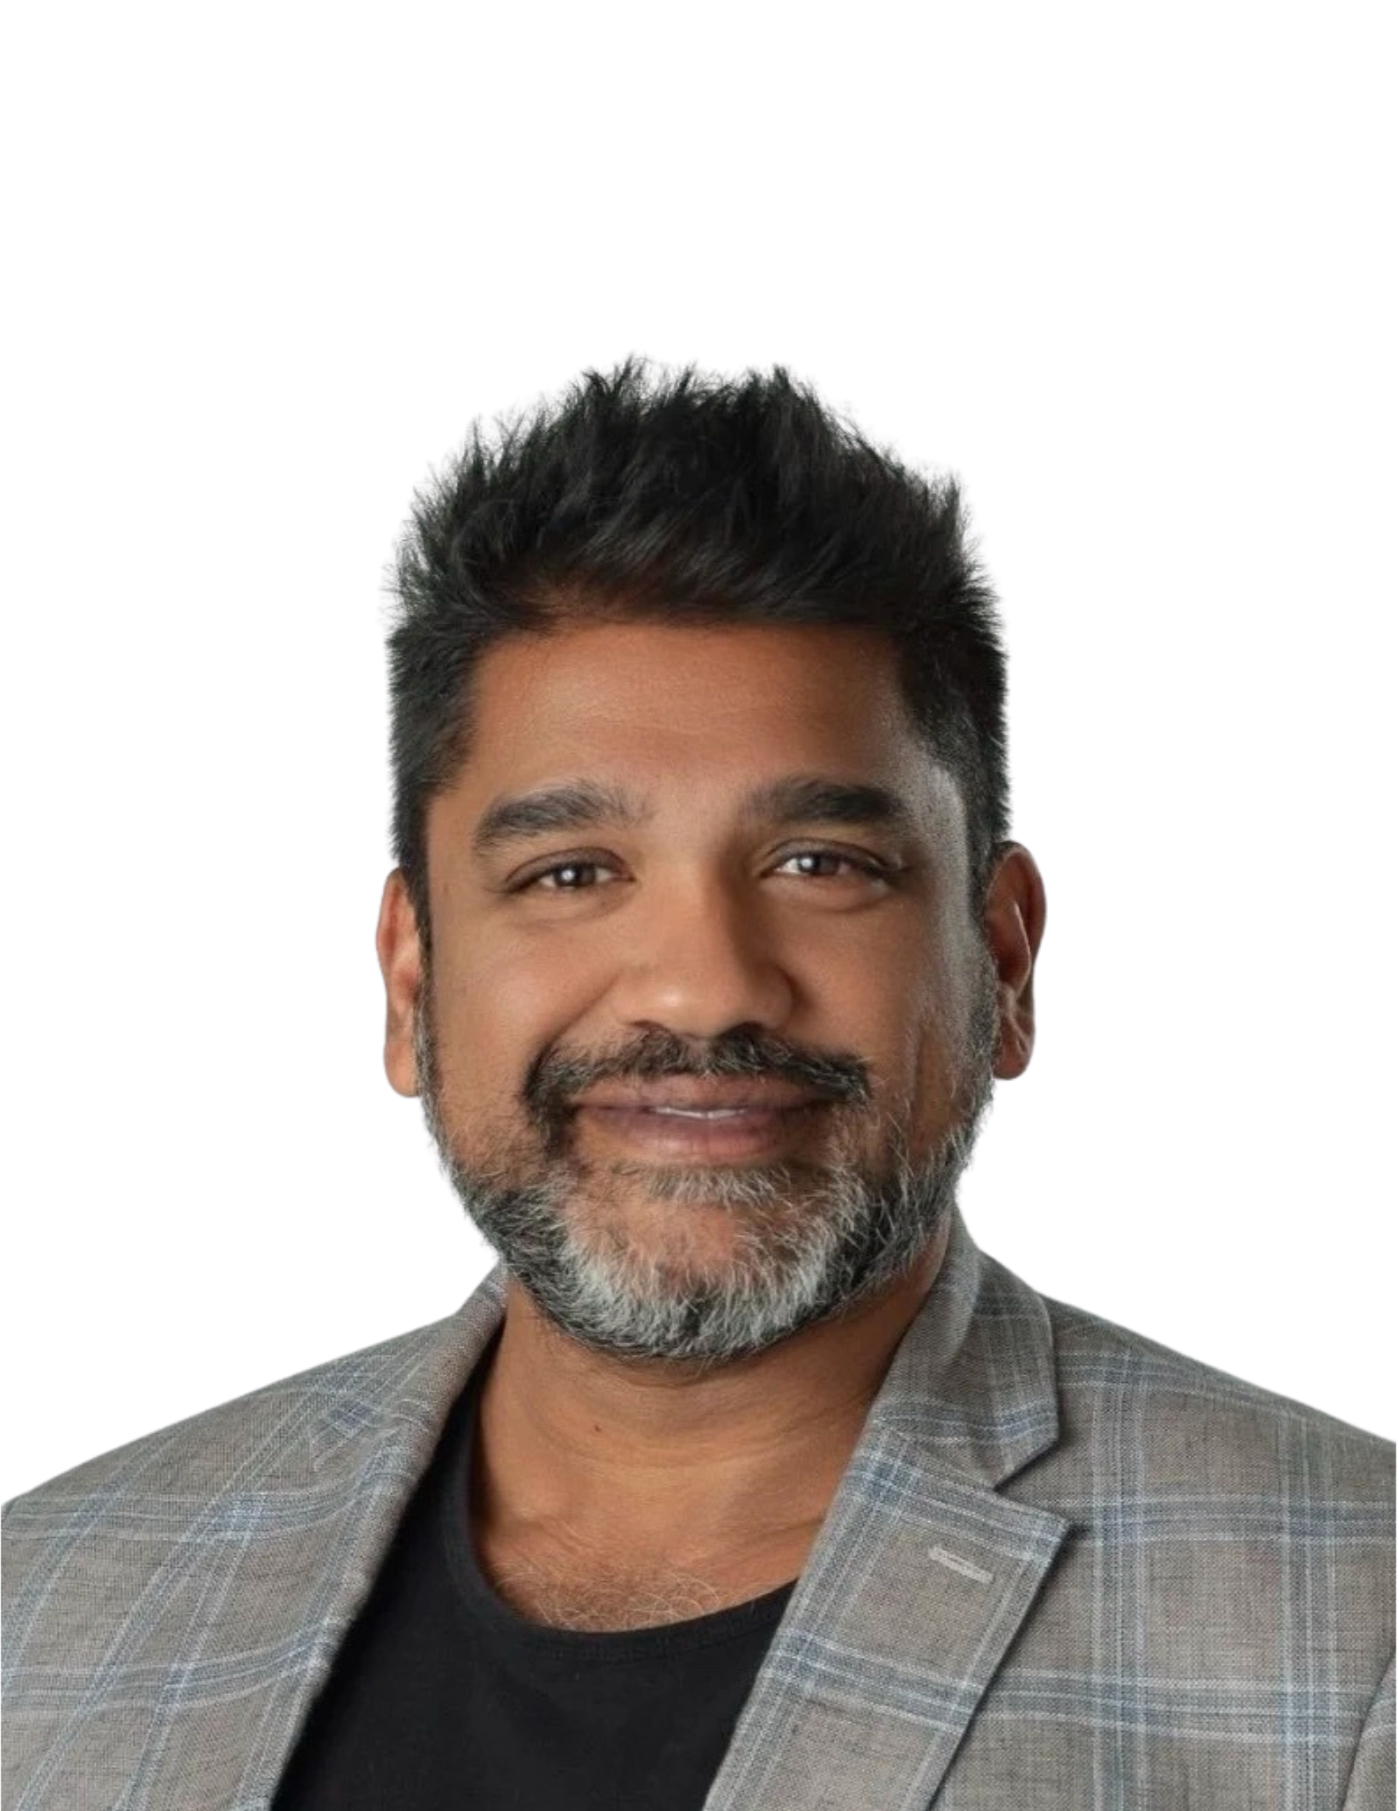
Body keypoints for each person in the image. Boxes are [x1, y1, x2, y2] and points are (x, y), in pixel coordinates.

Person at [3, 363, 1392, 1811]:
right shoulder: (42, 1612)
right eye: (570, 873)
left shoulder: (1357, 1642)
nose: (702, 987)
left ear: (1003, 960)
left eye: (820, 864)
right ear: (412, 980)